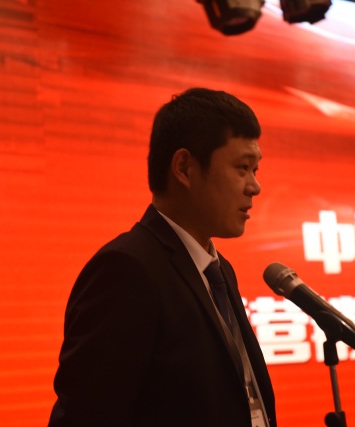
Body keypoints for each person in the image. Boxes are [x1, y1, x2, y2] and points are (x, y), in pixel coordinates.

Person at [48, 88, 277, 427]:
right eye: (243, 168)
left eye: (255, 170)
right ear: (184, 168)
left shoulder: (219, 270)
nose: (254, 186)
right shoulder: (127, 270)